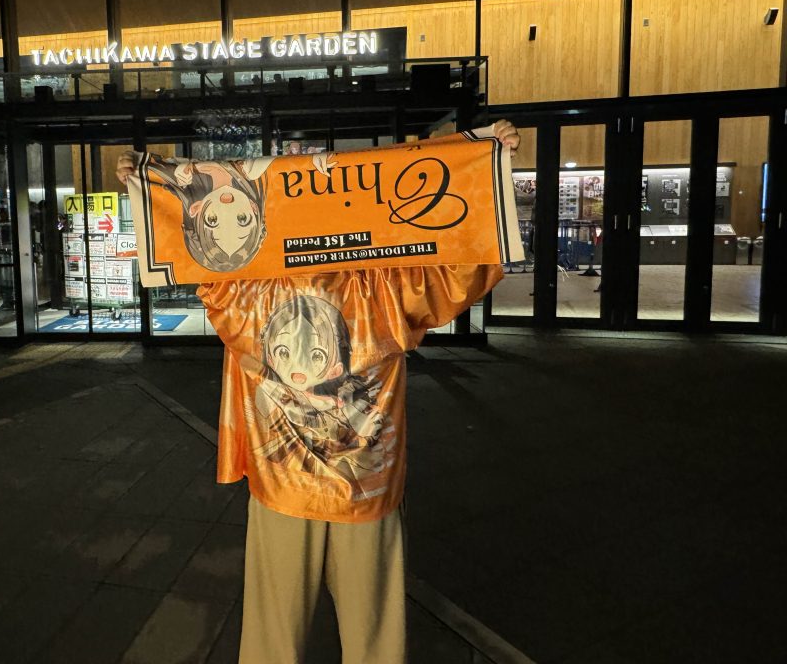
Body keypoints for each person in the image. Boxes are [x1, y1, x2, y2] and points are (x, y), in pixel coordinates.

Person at [117, 121, 521, 663]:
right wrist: (491, 173)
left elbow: (205, 267)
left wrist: (490, 163)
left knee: (274, 640)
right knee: (373, 639)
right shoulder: (384, 285)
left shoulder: (255, 289)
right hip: (363, 483)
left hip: (288, 483)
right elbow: (466, 265)